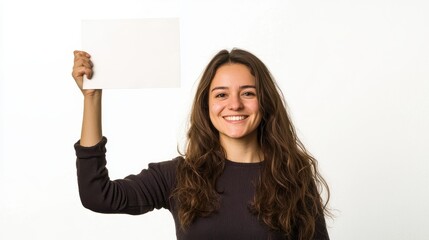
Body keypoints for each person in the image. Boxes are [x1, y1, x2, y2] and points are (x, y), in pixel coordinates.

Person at [72, 48, 331, 240]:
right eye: (221, 94)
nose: (235, 104)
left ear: (265, 102)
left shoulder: (292, 176)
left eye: (248, 93)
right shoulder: (179, 176)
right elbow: (98, 195)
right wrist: (91, 98)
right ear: (206, 106)